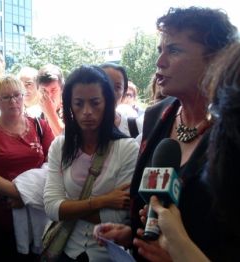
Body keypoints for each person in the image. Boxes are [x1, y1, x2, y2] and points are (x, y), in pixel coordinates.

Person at [94, 6, 238, 262]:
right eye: (160, 50)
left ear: (216, 59)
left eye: (174, 50)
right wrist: (132, 234)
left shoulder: (232, 129)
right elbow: (146, 201)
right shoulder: (156, 115)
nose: (159, 62)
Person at [43, 65, 139, 261]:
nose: (87, 112)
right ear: (69, 105)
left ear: (107, 102)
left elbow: (118, 218)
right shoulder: (60, 146)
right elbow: (52, 207)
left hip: (107, 254)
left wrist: (68, 207)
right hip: (65, 249)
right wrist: (104, 201)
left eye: (95, 103)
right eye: (78, 103)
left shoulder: (127, 148)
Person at [0, 75, 54, 261]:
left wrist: (24, 197)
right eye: (6, 97)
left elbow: (54, 167)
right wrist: (22, 194)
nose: (13, 101)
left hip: (37, 214)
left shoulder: (40, 126)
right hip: (1, 216)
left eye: (17, 95)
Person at [100, 63, 142, 138]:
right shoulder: (79, 129)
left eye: (117, 87)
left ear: (124, 92)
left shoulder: (136, 128)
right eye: (105, 85)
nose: (110, 92)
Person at [37, 64, 64, 136]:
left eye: (53, 90)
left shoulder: (72, 112)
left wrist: (50, 113)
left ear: (61, 90)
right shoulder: (34, 116)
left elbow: (67, 140)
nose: (49, 96)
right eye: (43, 91)